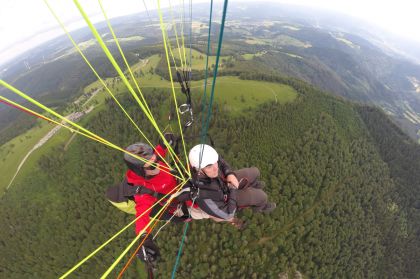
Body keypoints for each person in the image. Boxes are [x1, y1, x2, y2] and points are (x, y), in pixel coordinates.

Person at [121, 135, 187, 265]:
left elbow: (157, 154)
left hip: (177, 183)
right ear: (141, 171)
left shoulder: (150, 161)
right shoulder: (143, 190)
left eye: (155, 159)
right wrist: (144, 238)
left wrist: (163, 144)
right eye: (151, 165)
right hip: (176, 201)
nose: (156, 164)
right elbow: (142, 214)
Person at [182, 144, 276, 228]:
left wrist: (229, 173)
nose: (216, 168)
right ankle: (261, 206)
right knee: (262, 196)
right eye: (209, 166)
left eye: (215, 163)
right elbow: (227, 214)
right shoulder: (203, 197)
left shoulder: (202, 161)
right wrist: (233, 190)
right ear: (199, 170)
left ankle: (253, 184)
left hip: (223, 182)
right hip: (227, 199)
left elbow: (220, 161)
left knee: (255, 171)